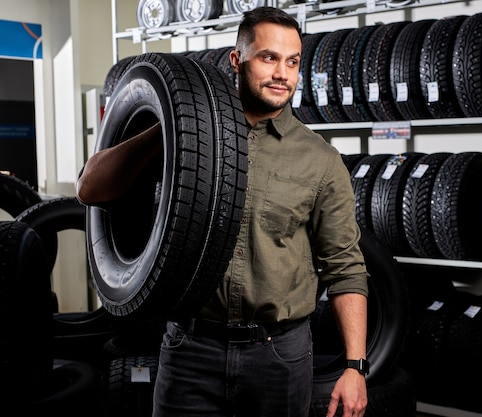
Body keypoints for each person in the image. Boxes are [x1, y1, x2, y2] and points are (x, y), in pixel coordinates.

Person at [76, 6, 369, 417]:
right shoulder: (180, 138)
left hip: (278, 356)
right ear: (237, 60)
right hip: (190, 351)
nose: (283, 74)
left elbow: (345, 266)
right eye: (269, 58)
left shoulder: (320, 159)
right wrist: (180, 122)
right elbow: (91, 189)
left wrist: (356, 366)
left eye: (293, 61)